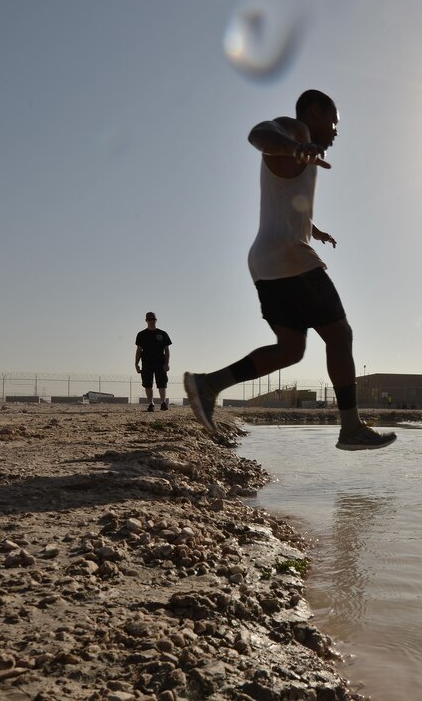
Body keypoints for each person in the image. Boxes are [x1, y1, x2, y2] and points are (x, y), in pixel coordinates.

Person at [184, 89, 395, 450]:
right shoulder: (294, 131)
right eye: (333, 122)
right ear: (313, 112)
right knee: (340, 336)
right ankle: (351, 428)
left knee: (291, 349)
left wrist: (314, 229)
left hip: (266, 262)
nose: (335, 132)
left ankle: (209, 384)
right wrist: (298, 146)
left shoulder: (300, 148)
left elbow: (286, 202)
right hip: (289, 258)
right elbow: (258, 133)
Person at [135, 312, 172, 412]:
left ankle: (163, 402)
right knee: (148, 384)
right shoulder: (141, 334)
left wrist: (167, 363)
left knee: (162, 384)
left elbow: (167, 350)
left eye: (153, 319)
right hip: (146, 363)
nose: (151, 321)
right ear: (146, 320)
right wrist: (136, 364)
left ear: (156, 320)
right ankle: (151, 403)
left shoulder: (163, 334)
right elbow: (139, 350)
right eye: (149, 319)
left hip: (160, 363)